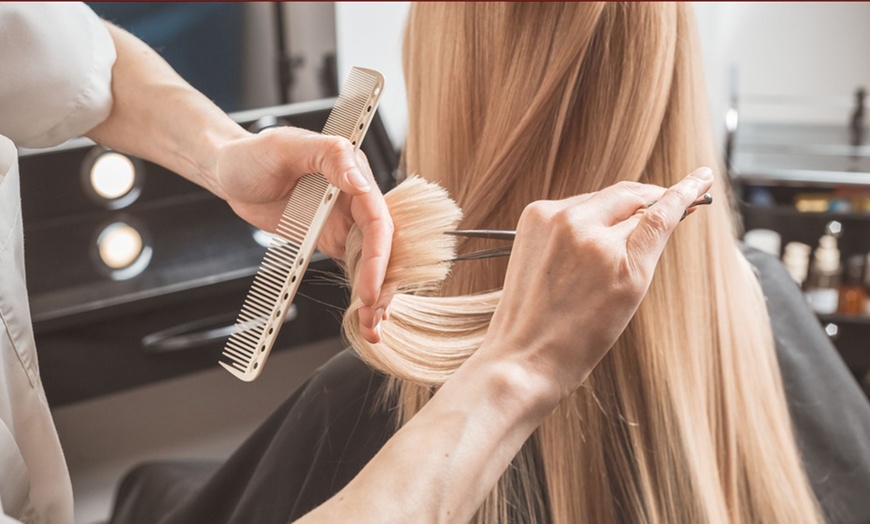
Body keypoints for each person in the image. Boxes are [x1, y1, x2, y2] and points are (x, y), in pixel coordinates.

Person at [110, 3, 870, 524]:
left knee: (144, 485)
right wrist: (217, 153)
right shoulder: (764, 292)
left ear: (451, 79)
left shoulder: (375, 402)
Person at [1, 3, 708, 523]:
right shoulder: (744, 315)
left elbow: (76, 62)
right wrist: (517, 372)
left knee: (152, 487)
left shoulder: (354, 398)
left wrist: (222, 154)